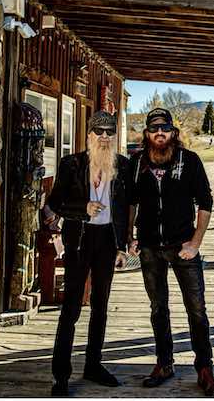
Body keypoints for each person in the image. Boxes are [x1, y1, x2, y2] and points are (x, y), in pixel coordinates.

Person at [129, 108, 214, 396]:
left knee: (196, 308)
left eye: (165, 129)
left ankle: (204, 368)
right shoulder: (136, 163)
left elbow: (205, 202)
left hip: (182, 246)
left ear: (173, 133)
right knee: (158, 308)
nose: (160, 133)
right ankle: (164, 363)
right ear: (147, 134)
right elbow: (130, 202)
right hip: (149, 247)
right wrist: (128, 236)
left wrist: (195, 243)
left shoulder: (189, 160)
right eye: (154, 129)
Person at [47, 111, 132, 397]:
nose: (105, 137)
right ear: (89, 135)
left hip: (107, 240)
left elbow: (126, 209)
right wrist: (83, 208)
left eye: (110, 132)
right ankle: (60, 375)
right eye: (99, 132)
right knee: (70, 307)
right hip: (79, 241)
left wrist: (123, 245)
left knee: (101, 306)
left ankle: (93, 365)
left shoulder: (123, 166)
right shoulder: (71, 164)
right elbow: (56, 203)